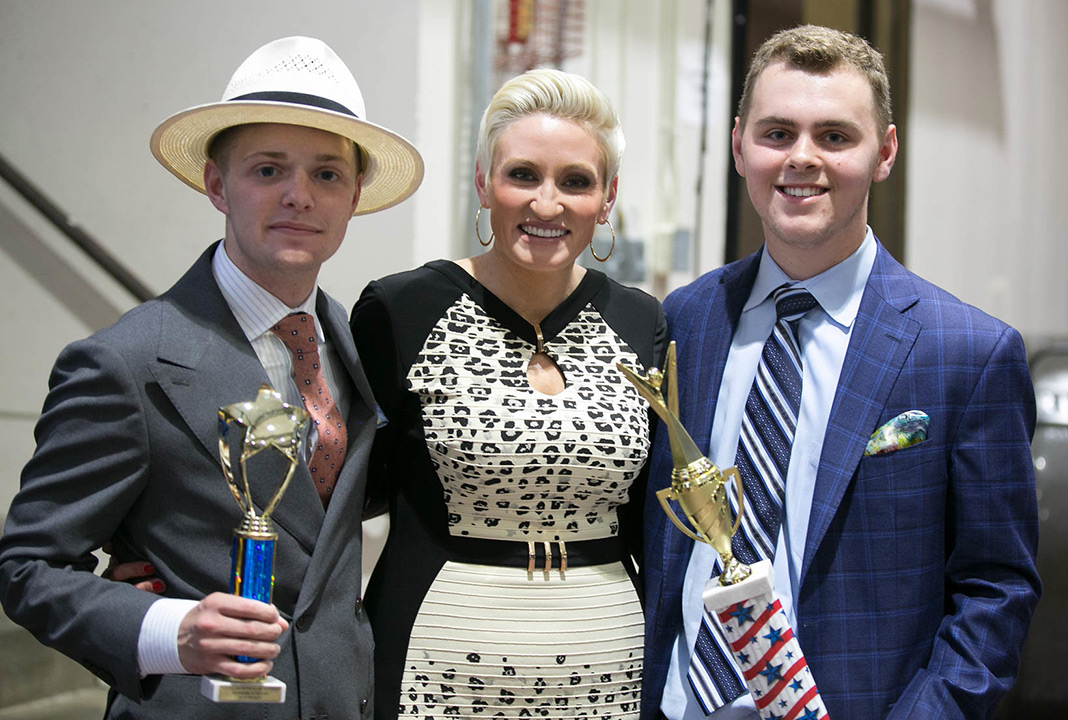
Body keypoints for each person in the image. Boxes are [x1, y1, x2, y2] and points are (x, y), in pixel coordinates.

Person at [0, 36, 423, 719]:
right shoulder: (125, 362)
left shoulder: (352, 342)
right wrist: (168, 631)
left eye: (326, 174)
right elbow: (28, 567)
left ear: (353, 197)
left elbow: (321, 515)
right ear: (217, 185)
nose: (298, 196)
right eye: (267, 170)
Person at [641, 25, 1040, 720]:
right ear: (739, 146)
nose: (802, 159)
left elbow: (995, 588)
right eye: (777, 133)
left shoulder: (969, 354)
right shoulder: (687, 321)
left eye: (834, 136)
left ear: (883, 152)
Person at [350, 68, 666, 718]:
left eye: (575, 181)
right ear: (482, 182)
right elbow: (344, 492)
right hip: (433, 663)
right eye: (522, 174)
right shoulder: (400, 310)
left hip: (609, 667)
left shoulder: (642, 323)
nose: (546, 204)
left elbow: (653, 520)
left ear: (607, 200)